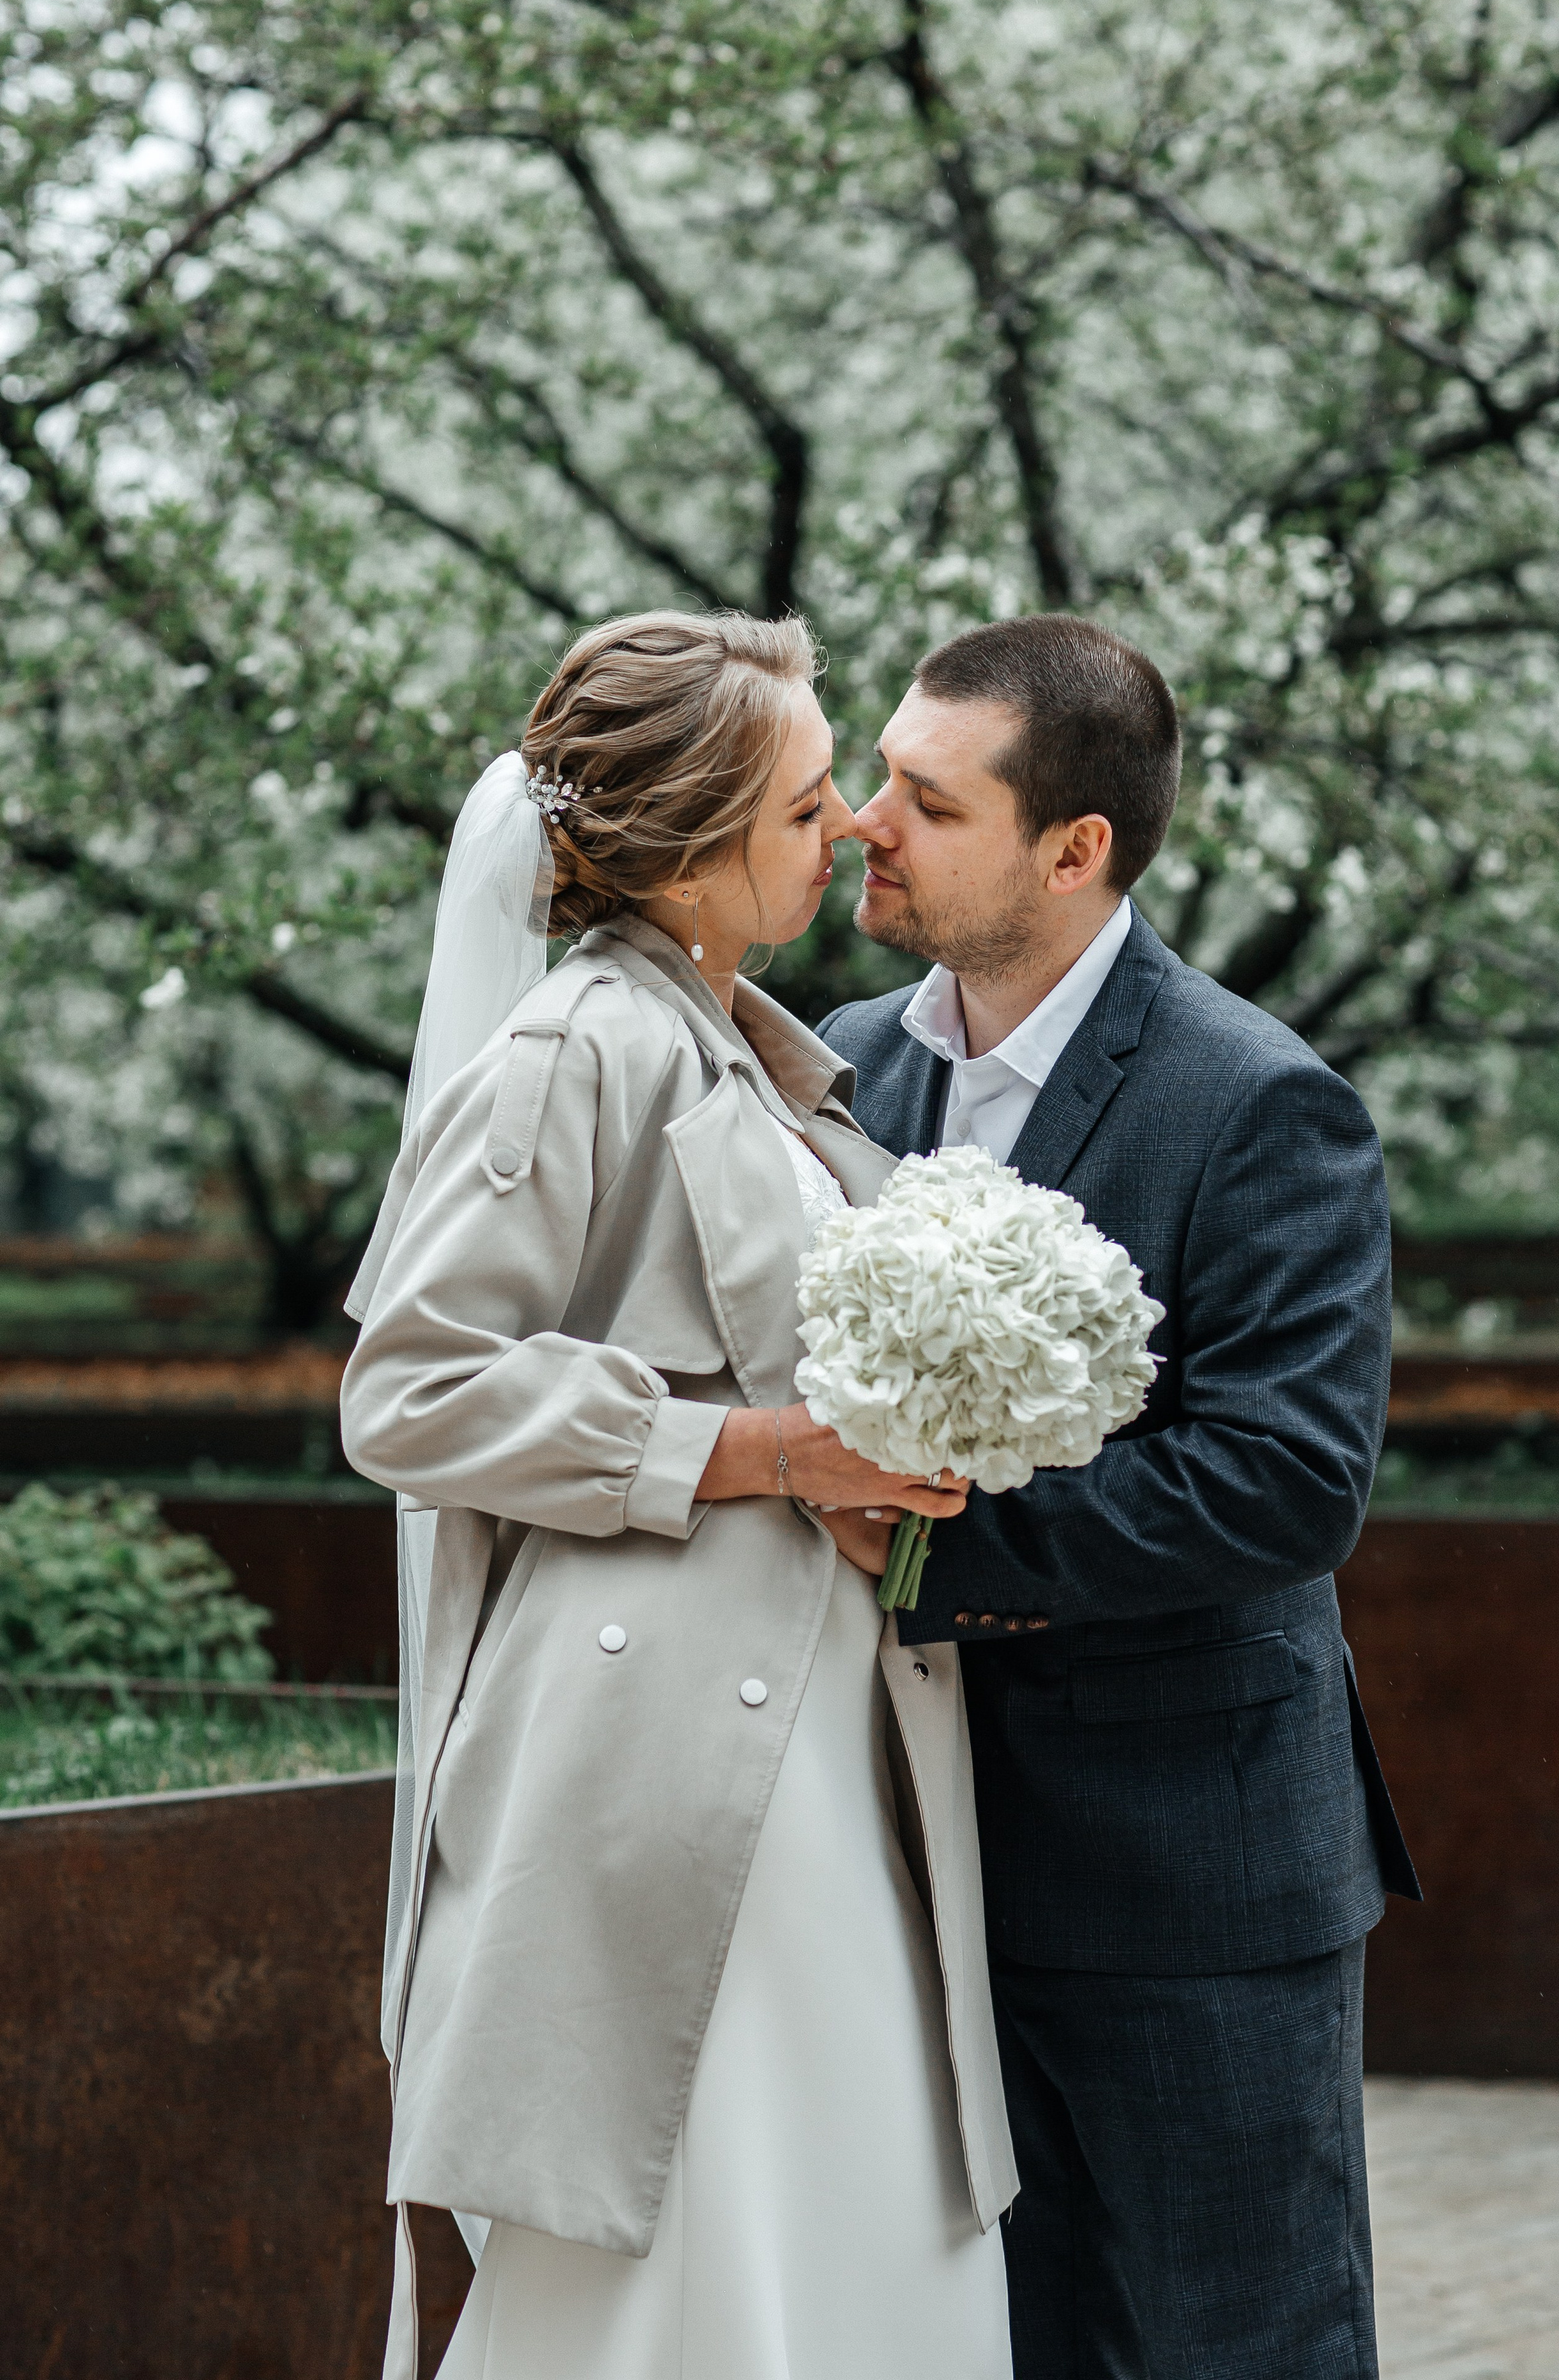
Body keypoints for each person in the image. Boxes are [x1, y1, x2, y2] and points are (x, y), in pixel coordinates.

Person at [340, 610, 1016, 2380]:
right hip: (672, 1750)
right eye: (809, 806)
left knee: (836, 2190)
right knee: (713, 2214)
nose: (852, 829)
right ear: (702, 846)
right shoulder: (582, 1048)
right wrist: (760, 1454)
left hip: (814, 1735)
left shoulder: (738, 1048)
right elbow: (406, 1390)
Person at [819, 613, 1421, 2380]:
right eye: (875, 778)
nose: (867, 822)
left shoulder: (1259, 1103)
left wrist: (937, 1551)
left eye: (925, 801)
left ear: (1073, 850)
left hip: (1191, 1875)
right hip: (915, 1863)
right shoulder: (850, 1057)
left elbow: (1289, 1480)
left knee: (1239, 2345)